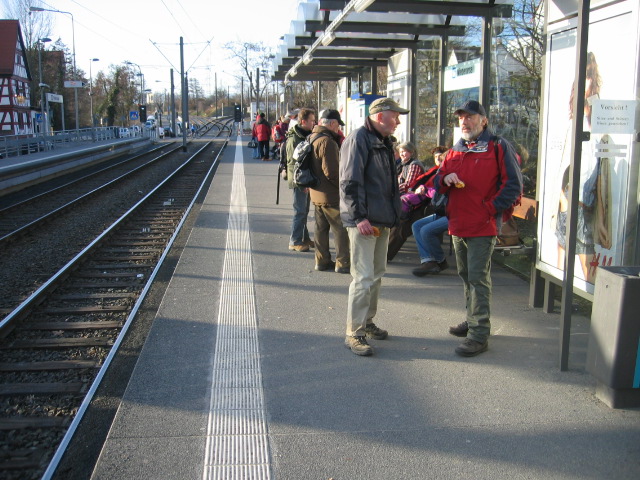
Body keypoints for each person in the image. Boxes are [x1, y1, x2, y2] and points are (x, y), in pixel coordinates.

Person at [435, 100, 522, 357]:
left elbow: (513, 186)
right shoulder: (455, 150)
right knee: (465, 275)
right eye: (461, 117)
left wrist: (488, 209)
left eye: (470, 117)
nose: (464, 121)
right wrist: (445, 178)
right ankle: (473, 319)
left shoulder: (498, 146)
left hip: (483, 225)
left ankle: (479, 333)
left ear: (483, 120)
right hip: (458, 223)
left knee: (478, 278)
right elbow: (438, 180)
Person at [340, 97, 408, 356]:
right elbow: (349, 181)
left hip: (380, 219)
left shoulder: (382, 141)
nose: (399, 120)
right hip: (365, 221)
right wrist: (359, 218)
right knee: (363, 277)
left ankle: (367, 322)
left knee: (376, 274)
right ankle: (354, 332)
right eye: (395, 115)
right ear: (381, 116)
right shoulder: (359, 139)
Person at [309, 109, 350, 274]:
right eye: (338, 125)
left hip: (316, 191)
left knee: (320, 229)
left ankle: (321, 261)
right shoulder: (327, 142)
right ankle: (343, 263)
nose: (338, 129)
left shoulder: (312, 137)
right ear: (332, 123)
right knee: (340, 229)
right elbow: (332, 172)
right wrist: (343, 189)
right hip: (330, 194)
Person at [285, 108, 316, 252]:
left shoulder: (304, 135)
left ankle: (304, 238)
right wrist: (302, 182)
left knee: (304, 209)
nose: (314, 123)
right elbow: (295, 163)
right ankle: (295, 240)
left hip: (304, 178)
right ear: (303, 121)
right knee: (300, 211)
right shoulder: (294, 138)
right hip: (300, 180)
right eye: (312, 121)